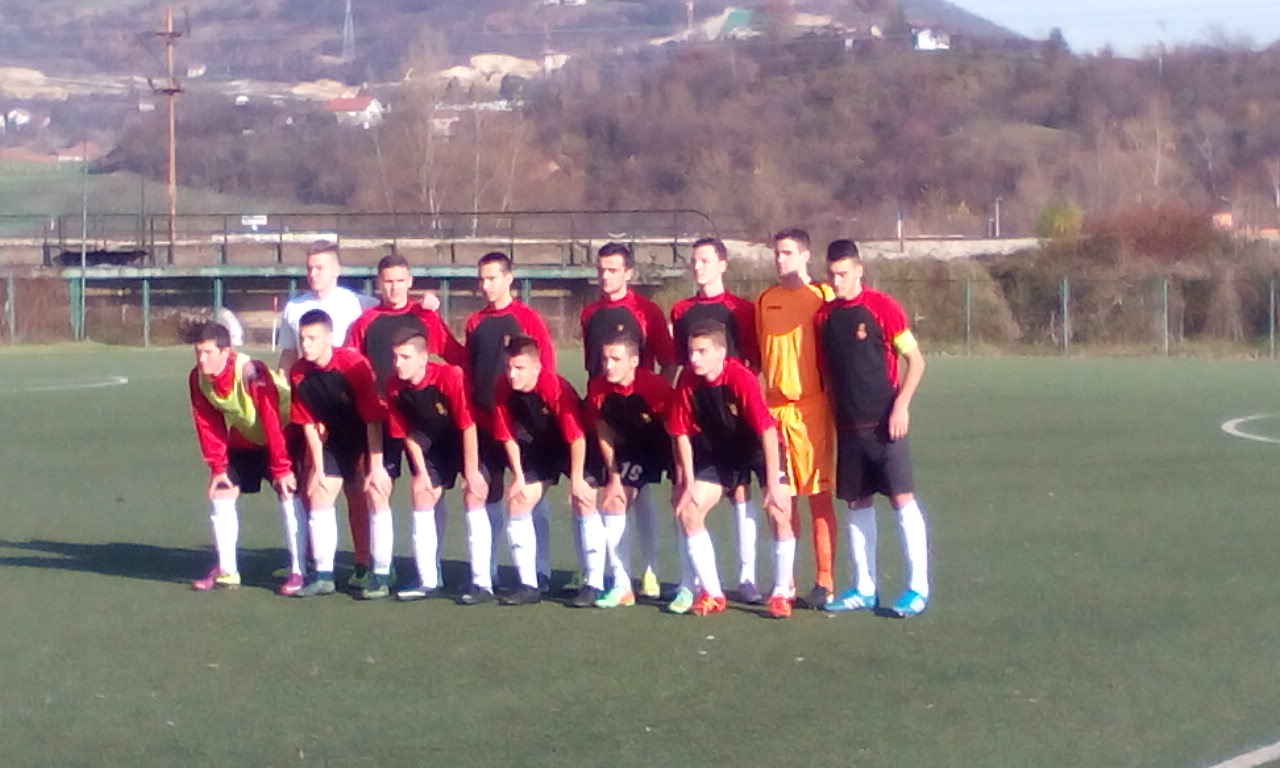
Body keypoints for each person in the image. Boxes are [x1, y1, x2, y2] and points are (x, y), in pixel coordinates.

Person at [816, 240, 930, 618]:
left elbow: (915, 360)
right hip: (849, 429)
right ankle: (864, 587)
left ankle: (918, 588)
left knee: (901, 499)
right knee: (857, 503)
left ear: (859, 270)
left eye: (843, 274)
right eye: (831, 274)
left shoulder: (883, 307)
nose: (836, 282)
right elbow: (828, 375)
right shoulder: (824, 317)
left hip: (885, 424)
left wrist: (901, 406)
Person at [347, 253, 466, 593]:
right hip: (380, 421)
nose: (395, 287)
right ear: (378, 284)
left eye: (401, 280)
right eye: (388, 281)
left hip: (421, 421)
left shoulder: (424, 315)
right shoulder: (366, 322)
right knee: (377, 489)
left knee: (427, 491)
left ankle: (431, 567)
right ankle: (382, 571)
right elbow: (353, 367)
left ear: (411, 281)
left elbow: (455, 355)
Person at [667, 319, 794, 618]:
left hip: (759, 450)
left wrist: (773, 484)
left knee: (779, 512)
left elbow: (766, 431)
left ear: (721, 352)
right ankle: (712, 593)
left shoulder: (740, 378)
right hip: (720, 453)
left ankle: (780, 594)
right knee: (689, 511)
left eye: (701, 351)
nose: (693, 358)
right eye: (691, 351)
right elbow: (680, 433)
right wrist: (688, 483)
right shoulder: (688, 380)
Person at [276, 241, 379, 589]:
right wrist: (282, 393)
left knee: (360, 491)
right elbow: (289, 356)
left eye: (320, 267)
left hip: (357, 412)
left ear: (337, 270)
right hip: (318, 411)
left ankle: (366, 562)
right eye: (309, 268)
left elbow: (392, 312)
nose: (313, 273)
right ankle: (319, 567)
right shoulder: (295, 307)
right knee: (314, 486)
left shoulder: (358, 303)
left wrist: (426, 306)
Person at [670, 236, 765, 604]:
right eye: (694, 261)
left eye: (706, 260)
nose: (698, 267)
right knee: (685, 493)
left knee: (741, 491)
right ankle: (691, 581)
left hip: (735, 415)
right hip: (698, 416)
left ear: (723, 264)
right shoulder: (681, 310)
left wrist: (741, 404)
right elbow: (680, 364)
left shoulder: (741, 309)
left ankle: (746, 577)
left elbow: (752, 361)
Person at [461, 251, 559, 602]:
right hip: (487, 422)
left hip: (524, 428)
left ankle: (540, 571)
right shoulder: (475, 322)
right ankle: (482, 578)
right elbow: (470, 371)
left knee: (528, 498)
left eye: (492, 278)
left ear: (508, 278)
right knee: (477, 493)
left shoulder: (527, 318)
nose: (486, 285)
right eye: (481, 279)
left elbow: (546, 368)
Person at [187, 321, 306, 595]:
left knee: (288, 493)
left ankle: (299, 570)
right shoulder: (198, 378)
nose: (201, 359)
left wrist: (282, 467)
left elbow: (271, 418)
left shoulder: (252, 371)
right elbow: (208, 423)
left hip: (285, 434)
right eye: (198, 352)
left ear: (226, 351)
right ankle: (227, 570)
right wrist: (218, 468)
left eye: (207, 352)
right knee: (222, 491)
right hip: (246, 438)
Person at [755, 228, 840, 609]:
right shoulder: (765, 300)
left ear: (806, 256)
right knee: (780, 498)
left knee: (817, 495)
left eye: (788, 253)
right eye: (777, 253)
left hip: (812, 409)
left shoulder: (823, 296)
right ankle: (784, 580)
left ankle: (825, 580)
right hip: (774, 410)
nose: (780, 259)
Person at [492, 335, 603, 607]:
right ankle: (530, 584)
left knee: (583, 501)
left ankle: (594, 583)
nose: (512, 374)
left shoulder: (554, 387)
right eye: (508, 367)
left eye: (519, 368)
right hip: (541, 447)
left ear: (537, 367)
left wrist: (576, 479)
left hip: (576, 445)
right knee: (518, 501)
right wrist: (518, 477)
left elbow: (577, 438)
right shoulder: (503, 387)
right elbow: (508, 436)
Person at [383, 328, 490, 601]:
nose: (398, 364)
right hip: (430, 445)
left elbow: (468, 425)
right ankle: (428, 580)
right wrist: (420, 473)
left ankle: (482, 583)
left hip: (466, 439)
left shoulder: (449, 376)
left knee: (474, 495)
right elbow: (407, 432)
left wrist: (471, 471)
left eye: (405, 357)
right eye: (395, 357)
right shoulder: (394, 386)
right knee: (421, 493)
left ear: (423, 358)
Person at [287, 309, 386, 598]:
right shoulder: (299, 373)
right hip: (333, 438)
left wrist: (376, 466)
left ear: (330, 337)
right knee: (318, 492)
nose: (306, 345)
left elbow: (373, 419)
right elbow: (307, 422)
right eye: (302, 338)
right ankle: (323, 575)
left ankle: (369, 567)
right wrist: (318, 469)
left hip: (366, 436)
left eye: (312, 338)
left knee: (366, 494)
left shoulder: (353, 365)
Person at [584, 331, 675, 606]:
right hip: (626, 445)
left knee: (678, 504)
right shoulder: (598, 388)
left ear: (634, 361)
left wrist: (682, 471)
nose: (608, 365)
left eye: (616, 359)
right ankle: (623, 583)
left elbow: (675, 429)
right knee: (616, 499)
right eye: (605, 359)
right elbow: (603, 430)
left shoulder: (655, 387)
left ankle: (657, 571)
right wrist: (613, 474)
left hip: (659, 444)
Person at [580, 242, 677, 380]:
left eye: (612, 271)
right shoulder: (589, 313)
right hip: (599, 393)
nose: (605, 276)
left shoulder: (647, 311)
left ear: (628, 273)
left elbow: (669, 362)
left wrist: (658, 391)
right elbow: (592, 365)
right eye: (601, 270)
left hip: (637, 392)